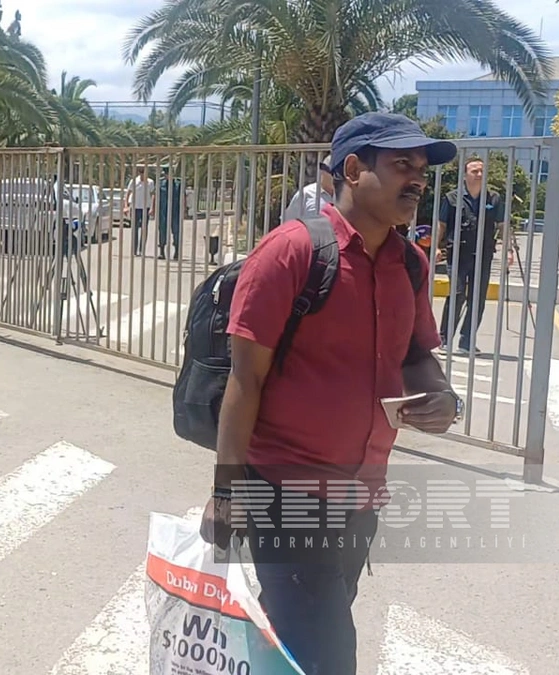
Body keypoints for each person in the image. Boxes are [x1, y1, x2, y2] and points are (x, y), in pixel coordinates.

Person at [200, 111, 461, 675]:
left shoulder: (410, 264)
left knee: (295, 644)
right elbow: (245, 380)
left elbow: (417, 354)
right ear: (353, 169)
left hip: (361, 496)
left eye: (421, 168)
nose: (417, 179)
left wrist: (442, 395)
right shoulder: (292, 252)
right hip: (285, 493)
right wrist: (225, 492)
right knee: (328, 656)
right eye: (402, 165)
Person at [434, 157, 504, 355]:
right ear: (465, 175)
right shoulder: (452, 198)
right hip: (458, 253)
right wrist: (436, 247)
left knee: (477, 297)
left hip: (483, 254)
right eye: (474, 171)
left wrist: (508, 249)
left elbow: (502, 225)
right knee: (457, 294)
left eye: (482, 171)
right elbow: (442, 224)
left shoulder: (493, 198)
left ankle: (467, 341)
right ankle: (444, 339)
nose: (479, 174)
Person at [282, 154, 335, 221]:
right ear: (322, 170)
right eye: (333, 172)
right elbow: (289, 221)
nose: (336, 176)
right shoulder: (305, 194)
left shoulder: (344, 196)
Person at [122, 165, 154, 255]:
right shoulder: (134, 181)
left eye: (144, 171)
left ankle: (142, 249)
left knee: (144, 229)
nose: (142, 174)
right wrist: (126, 206)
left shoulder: (150, 182)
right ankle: (134, 250)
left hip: (145, 208)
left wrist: (152, 207)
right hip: (135, 207)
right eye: (141, 172)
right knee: (134, 229)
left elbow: (153, 195)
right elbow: (128, 194)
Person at [156, 165, 183, 260]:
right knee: (162, 231)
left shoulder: (178, 184)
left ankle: (177, 251)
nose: (166, 176)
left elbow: (182, 197)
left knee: (176, 231)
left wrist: (184, 209)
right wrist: (153, 209)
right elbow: (156, 196)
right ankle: (162, 252)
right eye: (165, 174)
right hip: (163, 211)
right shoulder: (160, 183)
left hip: (175, 211)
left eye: (168, 174)